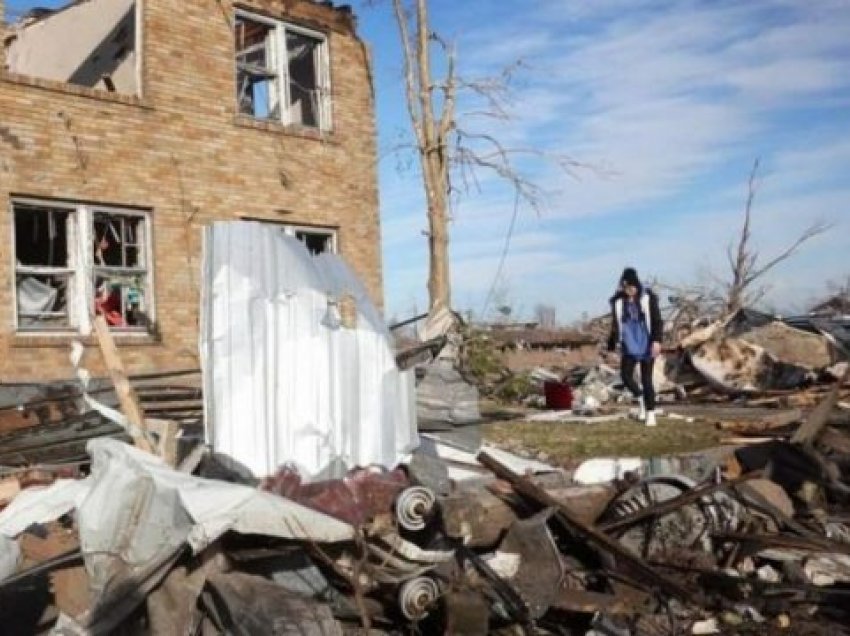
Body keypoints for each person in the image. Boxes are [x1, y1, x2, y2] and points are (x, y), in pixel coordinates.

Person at [607, 267, 663, 426]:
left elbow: (657, 321)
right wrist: (611, 344)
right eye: (625, 287)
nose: (629, 290)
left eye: (631, 287)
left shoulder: (647, 298)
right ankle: (640, 399)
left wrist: (657, 341)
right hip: (629, 343)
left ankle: (651, 413)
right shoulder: (619, 303)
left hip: (646, 342)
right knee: (626, 377)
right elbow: (615, 325)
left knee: (646, 380)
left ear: (636, 285)